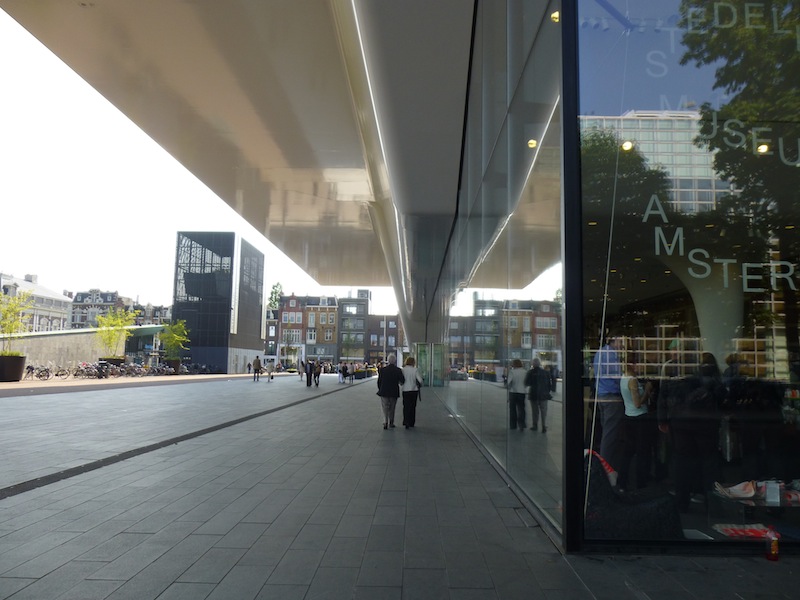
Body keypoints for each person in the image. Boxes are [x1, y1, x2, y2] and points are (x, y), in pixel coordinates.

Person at [618, 362, 655, 491]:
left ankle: (622, 481)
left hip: (628, 416)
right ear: (632, 366)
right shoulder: (632, 380)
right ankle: (641, 482)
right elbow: (637, 403)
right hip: (639, 418)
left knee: (627, 452)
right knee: (642, 452)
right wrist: (647, 390)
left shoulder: (623, 378)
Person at [592, 335, 624, 470]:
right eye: (620, 341)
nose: (622, 344)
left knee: (606, 429)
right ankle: (605, 467)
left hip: (601, 394)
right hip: (612, 396)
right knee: (610, 435)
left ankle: (605, 463)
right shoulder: (611, 355)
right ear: (612, 341)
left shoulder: (599, 353)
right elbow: (617, 376)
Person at [377, 353, 405, 430]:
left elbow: (379, 381)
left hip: (384, 391)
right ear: (395, 361)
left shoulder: (383, 370)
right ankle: (391, 422)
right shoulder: (398, 370)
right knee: (392, 407)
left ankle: (385, 421)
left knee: (385, 407)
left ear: (388, 361)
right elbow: (402, 381)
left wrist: (380, 389)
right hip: (393, 392)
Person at [525, 358, 552, 432]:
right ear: (539, 364)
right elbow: (549, 385)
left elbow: (527, 383)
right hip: (544, 395)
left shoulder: (530, 372)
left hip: (534, 395)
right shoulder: (546, 372)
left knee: (535, 411)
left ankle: (535, 425)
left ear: (533, 364)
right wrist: (547, 391)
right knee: (544, 411)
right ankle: (543, 425)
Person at [401, 356, 423, 428]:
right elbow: (420, 380)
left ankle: (406, 421)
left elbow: (400, 381)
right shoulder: (415, 370)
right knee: (413, 407)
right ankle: (411, 422)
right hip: (414, 390)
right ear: (413, 362)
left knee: (406, 406)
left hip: (405, 390)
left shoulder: (403, 370)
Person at [507, 358, 527, 430]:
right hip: (522, 392)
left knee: (513, 409)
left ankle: (513, 425)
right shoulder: (525, 372)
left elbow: (508, 382)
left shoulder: (512, 372)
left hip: (513, 392)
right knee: (521, 409)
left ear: (514, 364)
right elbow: (526, 382)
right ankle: (521, 424)